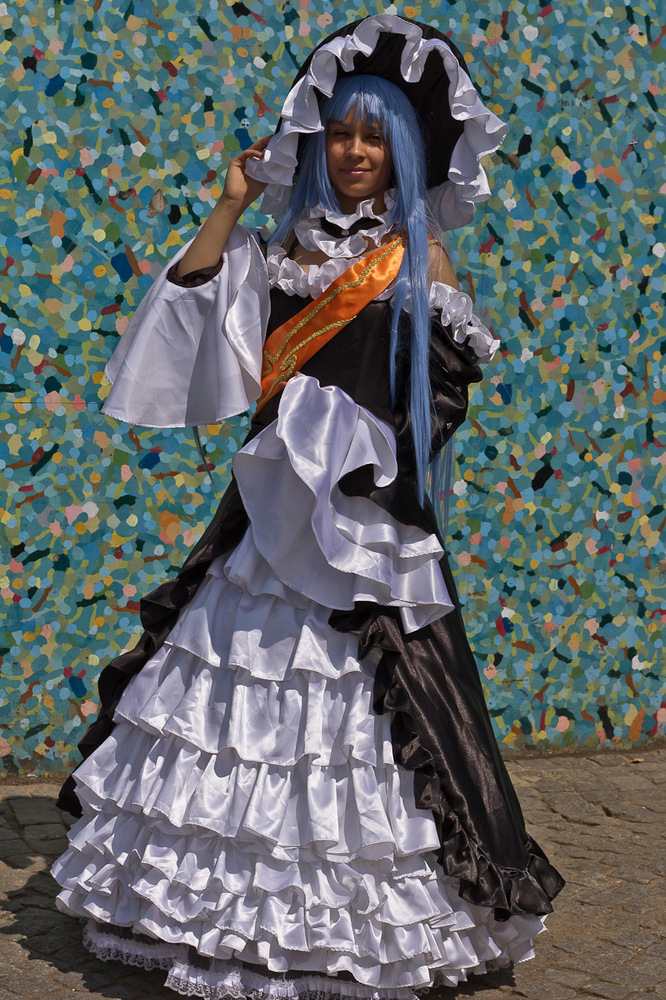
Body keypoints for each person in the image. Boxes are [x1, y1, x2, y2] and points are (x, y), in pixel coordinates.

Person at [52, 14, 564, 999]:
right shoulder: (278, 249)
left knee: (368, 732)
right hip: (267, 524)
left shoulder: (420, 263)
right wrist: (232, 201)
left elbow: (438, 399)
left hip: (360, 531)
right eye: (342, 132)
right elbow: (197, 301)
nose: (358, 151)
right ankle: (200, 912)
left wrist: (357, 449)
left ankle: (357, 929)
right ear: (319, 141)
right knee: (230, 713)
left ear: (403, 151)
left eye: (376, 137)